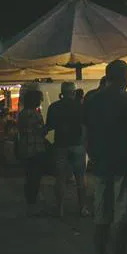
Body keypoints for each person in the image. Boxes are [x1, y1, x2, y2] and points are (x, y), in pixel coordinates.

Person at [83, 60, 127, 254]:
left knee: (102, 215)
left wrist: (91, 157)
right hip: (125, 164)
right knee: (122, 215)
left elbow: (85, 134)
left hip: (100, 164)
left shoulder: (91, 100)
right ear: (125, 77)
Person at [46, 82, 89, 217]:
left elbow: (49, 126)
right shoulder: (81, 107)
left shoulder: (54, 107)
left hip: (60, 145)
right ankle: (82, 208)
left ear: (62, 92)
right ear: (74, 92)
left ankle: (60, 209)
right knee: (80, 178)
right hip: (77, 144)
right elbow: (85, 126)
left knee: (60, 178)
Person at [17, 89, 49, 216]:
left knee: (29, 177)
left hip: (25, 149)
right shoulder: (35, 115)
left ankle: (30, 204)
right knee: (35, 178)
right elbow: (40, 131)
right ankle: (32, 205)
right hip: (35, 149)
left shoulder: (22, 113)